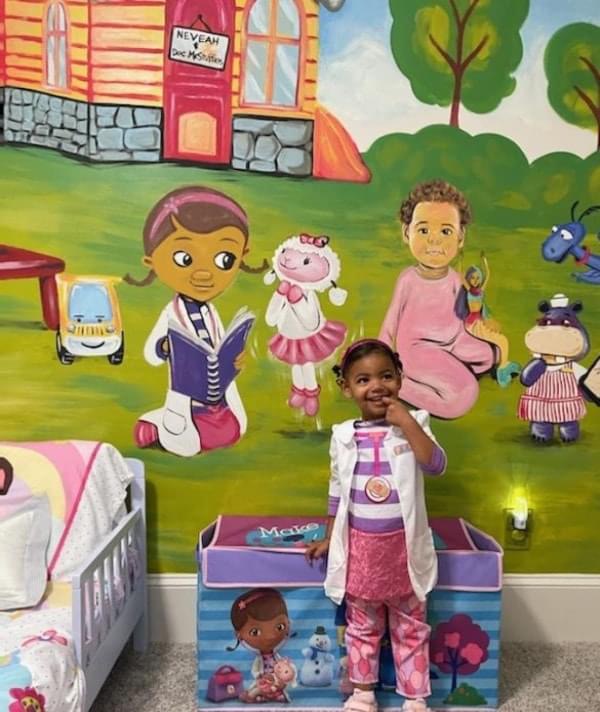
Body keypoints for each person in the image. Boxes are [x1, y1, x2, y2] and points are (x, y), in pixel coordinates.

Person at [305, 339, 446, 712]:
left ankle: (415, 696)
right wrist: (329, 536)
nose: (377, 386)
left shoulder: (416, 424)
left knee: (411, 627)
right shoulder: (343, 435)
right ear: (346, 388)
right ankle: (363, 692)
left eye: (386, 376)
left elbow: (435, 465)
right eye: (363, 380)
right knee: (362, 627)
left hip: (403, 551)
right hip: (362, 551)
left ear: (400, 378)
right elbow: (337, 491)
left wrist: (407, 422)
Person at [125, 186, 265, 456]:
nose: (204, 274)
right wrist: (165, 347)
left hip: (217, 399)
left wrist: (235, 360)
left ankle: (181, 424)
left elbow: (221, 345)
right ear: (151, 261)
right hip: (186, 399)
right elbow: (151, 354)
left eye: (224, 259)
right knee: (187, 442)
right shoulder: (171, 313)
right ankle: (155, 426)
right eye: (184, 259)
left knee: (232, 431)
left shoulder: (211, 312)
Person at [379, 180, 495, 419]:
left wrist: (480, 327)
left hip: (453, 340)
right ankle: (397, 384)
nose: (434, 240)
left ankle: (447, 368)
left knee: (489, 355)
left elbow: (465, 314)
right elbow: (391, 321)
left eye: (446, 231)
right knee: (464, 394)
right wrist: (380, 354)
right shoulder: (408, 280)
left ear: (460, 237)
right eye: (423, 230)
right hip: (419, 349)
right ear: (406, 232)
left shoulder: (455, 279)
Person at [456, 251, 520, 387]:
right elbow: (460, 275)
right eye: (472, 278)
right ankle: (502, 370)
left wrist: (484, 261)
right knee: (501, 340)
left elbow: (488, 275)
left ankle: (504, 365)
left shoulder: (480, 291)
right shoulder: (469, 290)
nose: (475, 280)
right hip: (473, 323)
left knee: (502, 340)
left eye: (477, 278)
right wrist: (460, 260)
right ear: (469, 279)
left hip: (480, 321)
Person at [228, 588, 294, 703]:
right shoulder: (259, 659)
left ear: (288, 623)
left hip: (276, 679)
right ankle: (252, 696)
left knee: (277, 686)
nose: (270, 636)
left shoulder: (277, 656)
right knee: (258, 688)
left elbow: (282, 665)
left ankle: (271, 695)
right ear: (238, 635)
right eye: (255, 632)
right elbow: (256, 669)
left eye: (280, 627)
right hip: (263, 680)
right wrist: (259, 676)